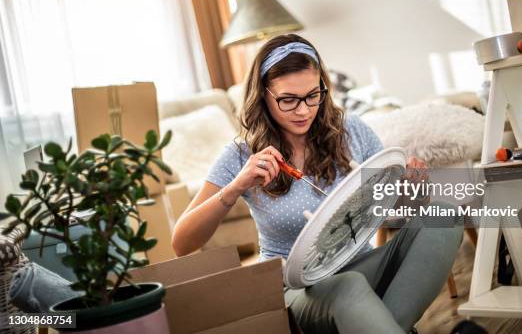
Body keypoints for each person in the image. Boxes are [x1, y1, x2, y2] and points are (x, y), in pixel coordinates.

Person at [171, 34, 463, 333]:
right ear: (263, 96)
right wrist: (234, 187)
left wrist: (413, 192)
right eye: (288, 100)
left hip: (361, 269)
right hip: (296, 291)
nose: (303, 110)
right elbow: (182, 243)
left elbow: (391, 211)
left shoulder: (350, 131)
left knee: (443, 216)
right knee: (348, 287)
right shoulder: (241, 155)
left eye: (313, 95)